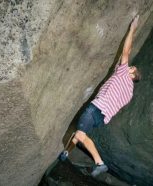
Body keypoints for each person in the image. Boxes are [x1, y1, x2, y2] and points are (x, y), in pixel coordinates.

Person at [59, 15, 141, 177]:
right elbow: (120, 61)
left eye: (131, 67)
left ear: (132, 73)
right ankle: (66, 153)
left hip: (96, 108)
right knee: (79, 133)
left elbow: (126, 52)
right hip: (101, 118)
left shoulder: (124, 74)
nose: (129, 66)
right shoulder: (129, 93)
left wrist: (132, 29)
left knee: (81, 134)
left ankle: (99, 163)